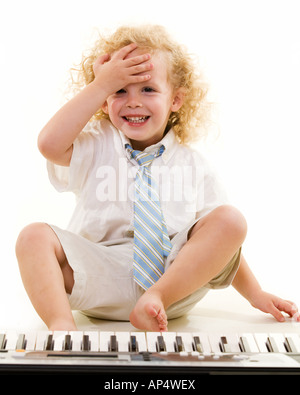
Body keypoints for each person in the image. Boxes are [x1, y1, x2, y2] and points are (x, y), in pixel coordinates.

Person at [15, 25, 299, 332]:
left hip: (172, 283)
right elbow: (49, 145)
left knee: (230, 220)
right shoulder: (94, 145)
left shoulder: (193, 165)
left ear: (176, 99)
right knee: (33, 236)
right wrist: (101, 84)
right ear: (103, 102)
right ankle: (61, 326)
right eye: (119, 90)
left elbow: (221, 245)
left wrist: (255, 294)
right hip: (99, 276)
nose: (133, 101)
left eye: (147, 89)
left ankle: (154, 299)